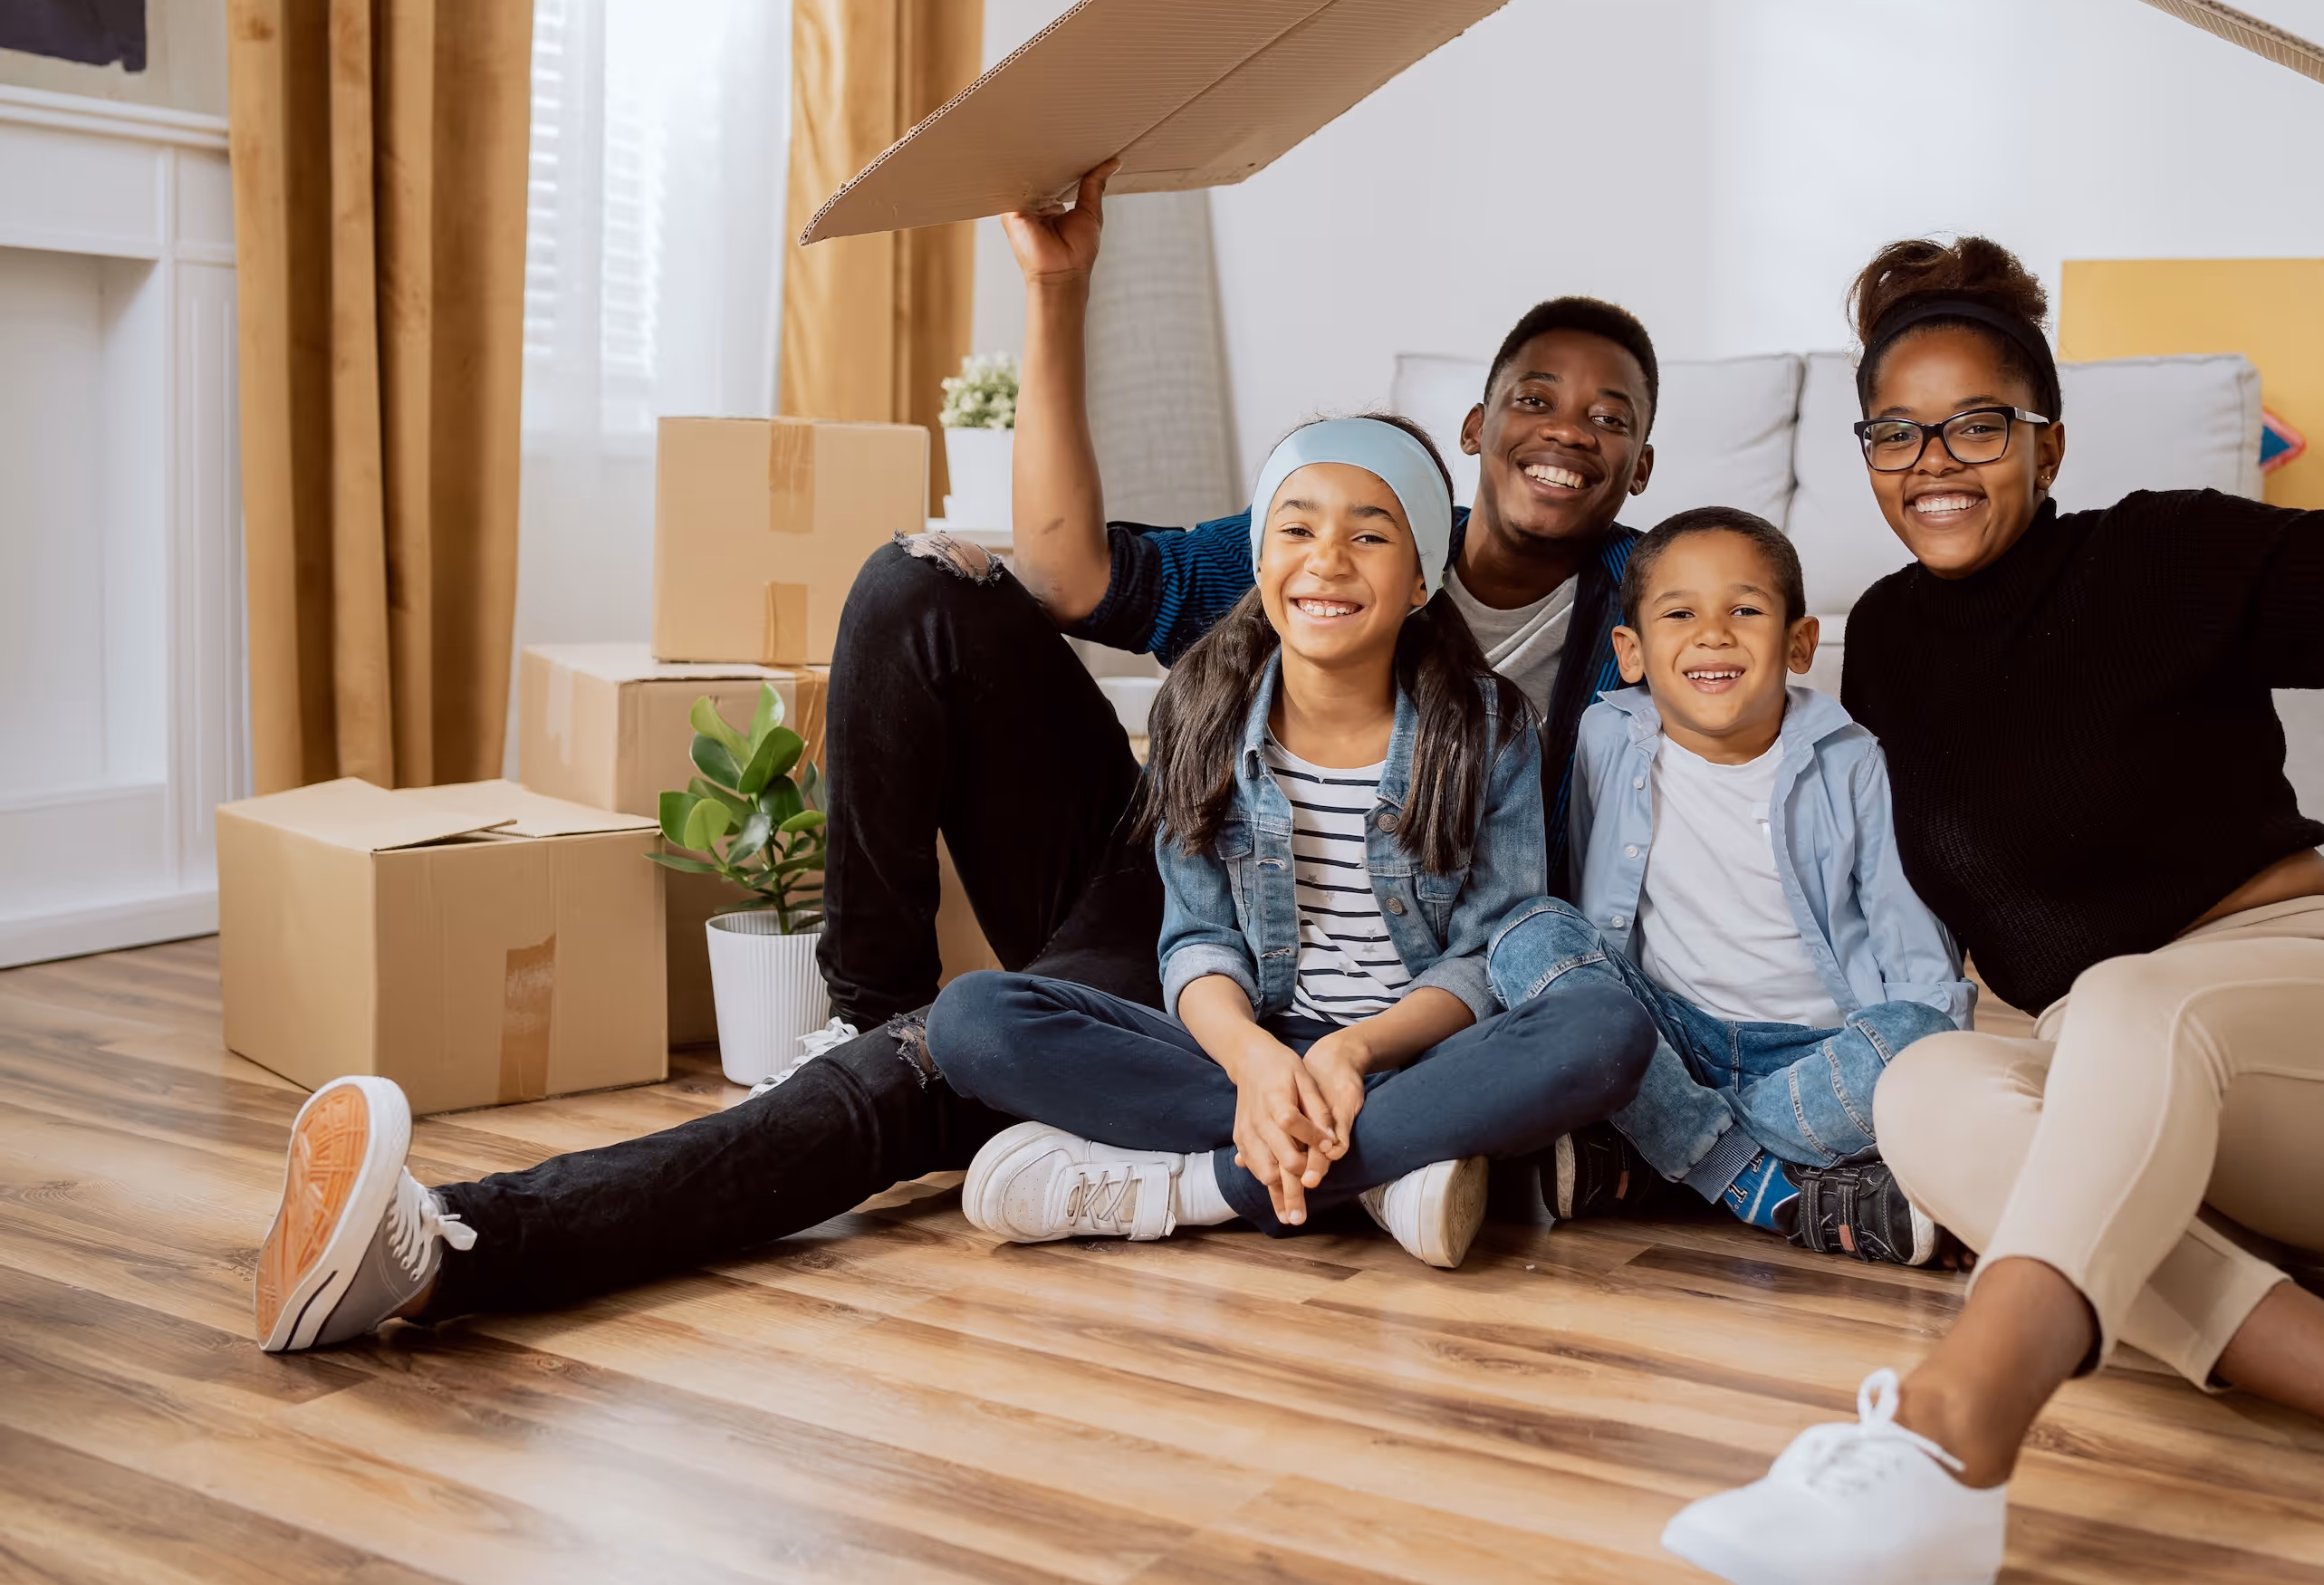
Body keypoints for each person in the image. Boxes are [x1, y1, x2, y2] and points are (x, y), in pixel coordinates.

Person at [250, 162, 1666, 1350]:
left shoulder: (1646, 613)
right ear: (1478, 429)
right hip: (1196, 913)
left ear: (1641, 467)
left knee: (953, 1076)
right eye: (1541, 400)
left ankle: (467, 1244)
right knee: (917, 593)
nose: (1571, 436)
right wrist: (1056, 288)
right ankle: (861, 1024)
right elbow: (1069, 577)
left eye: (1613, 422)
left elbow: (1573, 884)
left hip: (1381, 990)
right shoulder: (1317, 528)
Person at [1662, 115, 2324, 1585]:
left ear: (2047, 441)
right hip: (2120, 1097)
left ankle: (1948, 1440)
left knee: (2129, 997)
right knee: (1925, 1086)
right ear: (1866, 452)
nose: (1935, 461)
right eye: (1898, 431)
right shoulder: (1874, 646)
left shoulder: (2164, 553)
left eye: (1979, 423)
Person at [927, 415, 1655, 1267]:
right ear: (1262, 560)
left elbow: (1483, 956)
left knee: (1606, 1028)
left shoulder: (1489, 727)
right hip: (1257, 1043)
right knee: (974, 1020)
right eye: (1298, 528)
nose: (1327, 559)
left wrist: (1353, 1051)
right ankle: (1386, 1170)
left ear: (1422, 579)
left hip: (1418, 1055)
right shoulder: (1202, 708)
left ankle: (1197, 1190)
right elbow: (1197, 942)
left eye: (1370, 536)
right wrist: (1259, 1066)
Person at [1525, 505, 1965, 1261]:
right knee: (1529, 931)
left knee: (1923, 1039)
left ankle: (1672, 1159)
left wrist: (1931, 1059)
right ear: (1630, 652)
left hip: (1816, 1052)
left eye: (1745, 609)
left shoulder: (1850, 760)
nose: (1713, 633)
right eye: (1680, 612)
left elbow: (1906, 933)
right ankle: (1790, 1181)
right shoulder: (1607, 738)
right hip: (1665, 1039)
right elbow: (1588, 901)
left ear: (1799, 642)